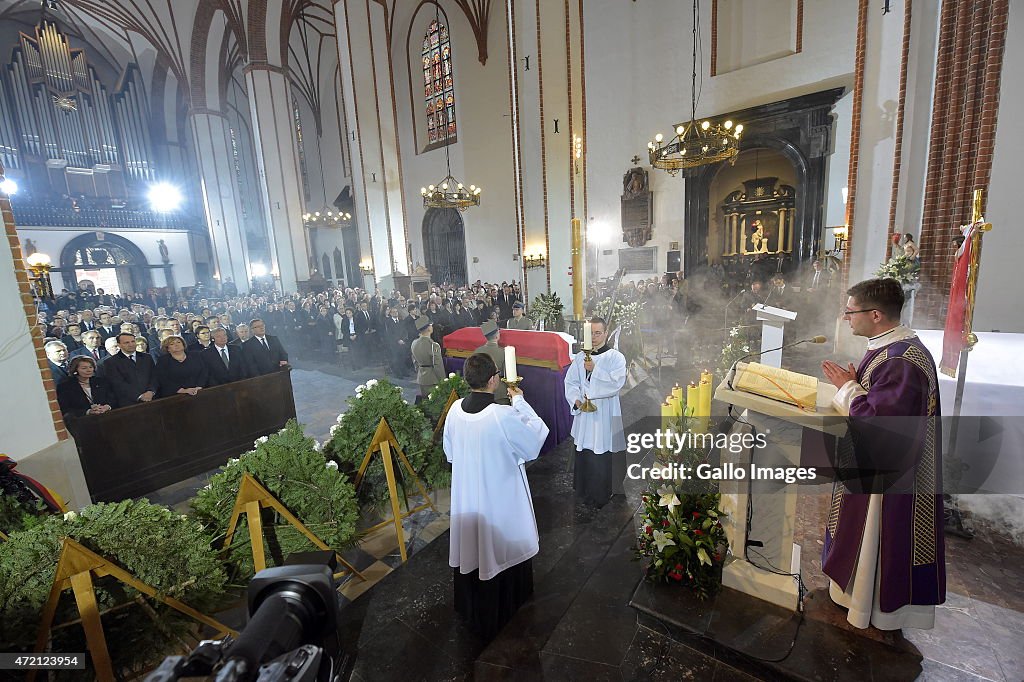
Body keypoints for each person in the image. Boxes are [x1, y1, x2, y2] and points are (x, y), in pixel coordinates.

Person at [820, 277, 945, 631]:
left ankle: (871, 607)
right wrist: (854, 385)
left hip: (890, 478)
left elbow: (880, 423)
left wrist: (847, 389)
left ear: (875, 315)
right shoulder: (888, 346)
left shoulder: (902, 360)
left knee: (884, 537)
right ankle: (855, 596)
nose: (846, 318)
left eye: (850, 312)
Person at [443, 352, 548, 640]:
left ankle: (471, 604)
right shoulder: (501, 415)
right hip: (498, 496)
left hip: (468, 496)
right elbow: (534, 441)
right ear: (493, 380)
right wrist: (520, 401)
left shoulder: (454, 410)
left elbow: (450, 453)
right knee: (501, 543)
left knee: (474, 547)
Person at [564, 317, 626, 507]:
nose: (594, 337)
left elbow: (616, 384)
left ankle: (603, 492)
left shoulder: (616, 357)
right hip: (585, 413)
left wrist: (595, 369)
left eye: (598, 333)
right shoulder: (581, 357)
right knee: (586, 450)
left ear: (606, 333)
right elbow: (571, 382)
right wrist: (575, 399)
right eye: (590, 333)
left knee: (603, 450)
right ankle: (584, 490)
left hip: (605, 413)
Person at [99, 333, 156, 406]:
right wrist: (139, 396)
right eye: (127, 342)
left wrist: (151, 391)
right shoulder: (111, 362)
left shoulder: (147, 357)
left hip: (152, 398)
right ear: (119, 345)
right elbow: (118, 383)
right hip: (129, 403)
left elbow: (154, 376)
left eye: (133, 341)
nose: (131, 344)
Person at [473, 321, 509, 405]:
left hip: (481, 392)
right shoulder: (503, 352)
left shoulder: (477, 351)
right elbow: (508, 377)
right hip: (499, 394)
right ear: (497, 335)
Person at [411, 316, 445, 398]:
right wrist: (443, 380)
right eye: (431, 325)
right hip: (433, 378)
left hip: (421, 377)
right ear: (429, 328)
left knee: (425, 401)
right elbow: (438, 365)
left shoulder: (414, 343)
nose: (432, 327)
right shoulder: (433, 345)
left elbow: (415, 361)